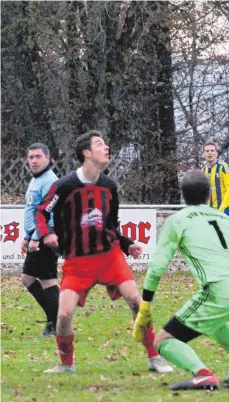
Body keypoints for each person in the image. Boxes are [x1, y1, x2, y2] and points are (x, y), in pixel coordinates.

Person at [34, 130, 172, 374]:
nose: (106, 147)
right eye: (100, 144)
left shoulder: (110, 186)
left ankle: (154, 357)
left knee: (136, 302)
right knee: (64, 315)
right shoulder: (64, 186)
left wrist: (127, 244)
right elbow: (41, 211)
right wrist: (47, 234)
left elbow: (111, 224)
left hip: (110, 256)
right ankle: (66, 364)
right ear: (86, 153)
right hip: (77, 261)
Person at [133, 170, 229, 391]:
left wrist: (145, 308)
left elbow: (157, 268)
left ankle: (202, 374)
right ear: (209, 195)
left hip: (220, 289)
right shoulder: (228, 220)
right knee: (214, 321)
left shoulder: (177, 220)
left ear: (183, 195)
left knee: (163, 341)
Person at [21, 143, 59, 336]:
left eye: (38, 156)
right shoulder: (36, 180)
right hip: (35, 238)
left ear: (48, 158)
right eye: (31, 157)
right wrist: (27, 236)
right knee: (27, 278)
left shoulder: (50, 181)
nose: (34, 161)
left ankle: (56, 324)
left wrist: (37, 237)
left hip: (45, 238)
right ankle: (54, 319)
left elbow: (48, 213)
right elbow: (32, 210)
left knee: (48, 281)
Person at [202, 140, 229, 220]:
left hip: (225, 209)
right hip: (210, 211)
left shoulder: (224, 167)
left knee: (228, 232)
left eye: (212, 150)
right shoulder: (203, 170)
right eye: (207, 151)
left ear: (216, 153)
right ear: (204, 154)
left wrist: (222, 207)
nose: (209, 153)